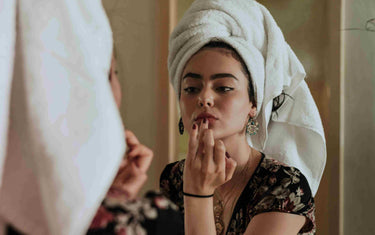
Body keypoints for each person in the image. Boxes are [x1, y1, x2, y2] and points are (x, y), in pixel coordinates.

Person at [160, 0, 326, 234]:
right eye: (191, 88)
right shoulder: (174, 179)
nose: (204, 98)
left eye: (224, 87)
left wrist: (197, 194)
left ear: (253, 104)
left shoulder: (283, 186)